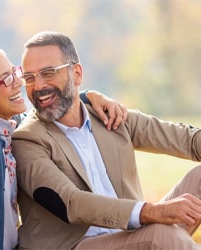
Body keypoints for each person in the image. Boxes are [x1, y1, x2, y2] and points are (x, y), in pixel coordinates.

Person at [11, 31, 201, 249]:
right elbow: (71, 203)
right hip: (76, 245)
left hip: (131, 234)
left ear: (77, 73)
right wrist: (152, 212)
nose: (38, 86)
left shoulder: (111, 115)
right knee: (162, 236)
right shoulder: (27, 140)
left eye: (48, 73)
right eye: (29, 77)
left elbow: (188, 139)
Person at [0, 44, 126, 249]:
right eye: (6, 79)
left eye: (15, 72)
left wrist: (87, 96)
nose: (18, 82)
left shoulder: (5, 124)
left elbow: (47, 111)